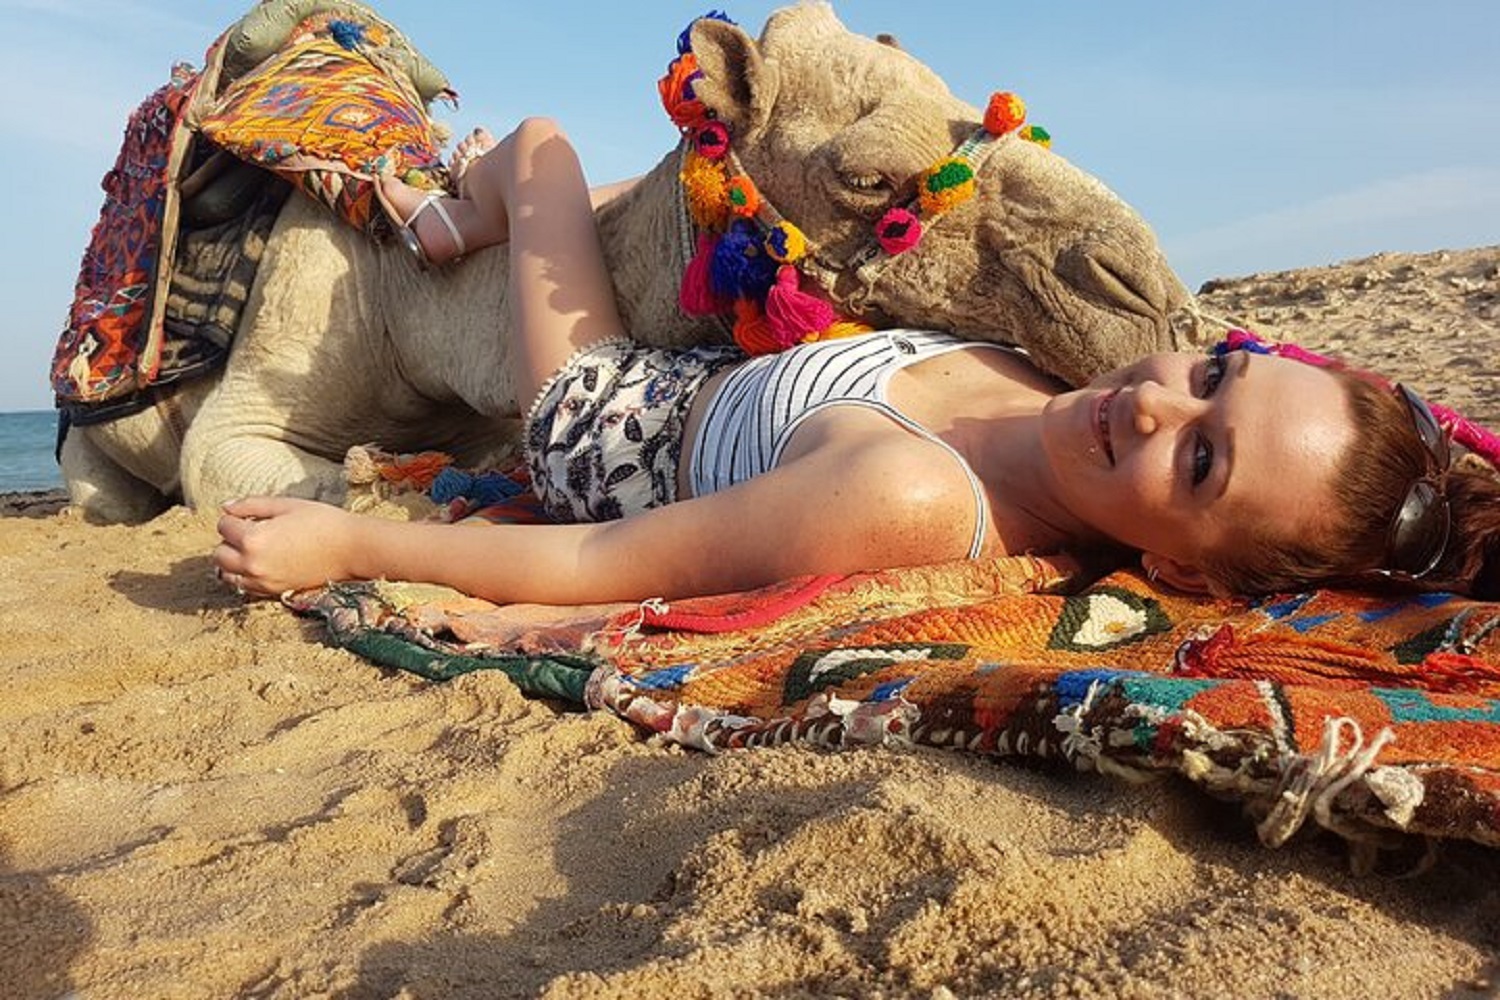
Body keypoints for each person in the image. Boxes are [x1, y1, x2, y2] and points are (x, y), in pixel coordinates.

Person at [213, 119, 1500, 604]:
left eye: (1203, 464)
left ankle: (448, 220)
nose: (1160, 402)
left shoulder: (915, 495)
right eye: (1215, 377)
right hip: (716, 377)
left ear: (1178, 566)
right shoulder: (1063, 381)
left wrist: (353, 547)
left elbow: (600, 563)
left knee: (542, 147)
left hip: (607, 423)